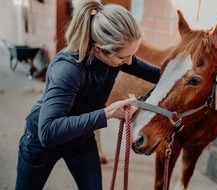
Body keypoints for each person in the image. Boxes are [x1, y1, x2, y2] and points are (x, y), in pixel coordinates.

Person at [15, 0, 160, 189]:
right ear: (99, 48)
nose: (129, 61)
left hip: (81, 140)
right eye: (123, 57)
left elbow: (160, 75)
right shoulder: (68, 69)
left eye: (132, 54)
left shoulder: (118, 55)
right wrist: (106, 113)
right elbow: (48, 131)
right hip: (42, 143)